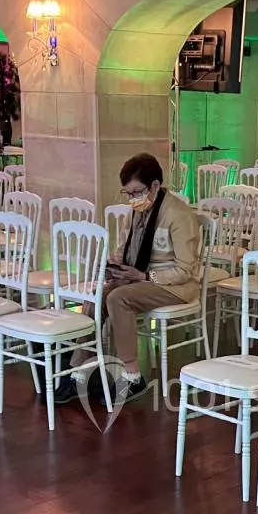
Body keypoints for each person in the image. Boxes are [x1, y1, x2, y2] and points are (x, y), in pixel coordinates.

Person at [53, 153, 202, 404]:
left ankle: (132, 376)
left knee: (119, 298)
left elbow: (186, 270)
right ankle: (80, 370)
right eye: (128, 194)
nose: (133, 199)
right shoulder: (136, 212)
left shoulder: (178, 214)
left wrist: (144, 275)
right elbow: (124, 248)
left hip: (175, 285)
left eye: (137, 192)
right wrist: (113, 265)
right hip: (141, 278)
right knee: (98, 295)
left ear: (155, 185)